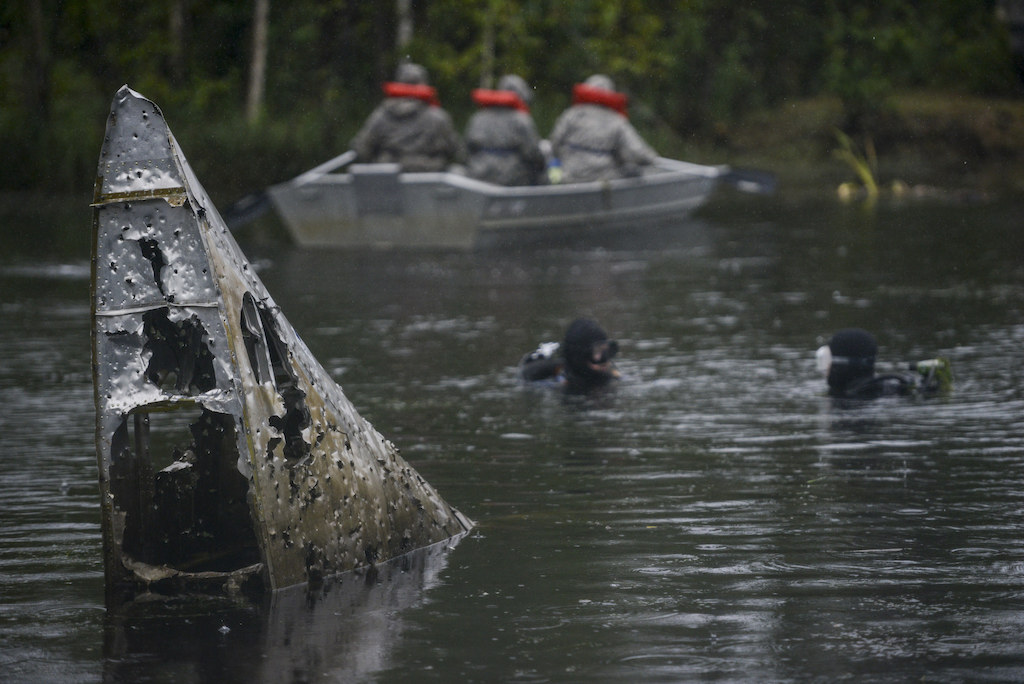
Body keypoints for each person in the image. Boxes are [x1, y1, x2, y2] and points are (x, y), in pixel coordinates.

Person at [350, 62, 465, 172]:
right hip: (431, 179)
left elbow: (361, 148)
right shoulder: (438, 117)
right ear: (423, 85)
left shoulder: (381, 115)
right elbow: (457, 152)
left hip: (389, 181)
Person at [548, 74, 658, 183]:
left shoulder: (571, 114)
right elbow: (636, 152)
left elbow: (554, 143)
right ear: (610, 95)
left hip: (569, 177)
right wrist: (653, 159)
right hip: (602, 179)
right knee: (631, 170)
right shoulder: (617, 121)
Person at [816, 328, 953, 400]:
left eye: (827, 361)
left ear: (841, 366)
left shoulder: (848, 399)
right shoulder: (890, 386)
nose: (824, 368)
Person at [464, 74, 547, 186]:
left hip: (479, 177)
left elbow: (466, 150)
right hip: (513, 180)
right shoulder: (521, 120)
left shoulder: (478, 117)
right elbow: (534, 154)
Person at [519, 318, 620, 393]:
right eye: (596, 352)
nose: (603, 359)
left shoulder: (609, 373)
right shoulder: (557, 376)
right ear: (580, 355)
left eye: (605, 351)